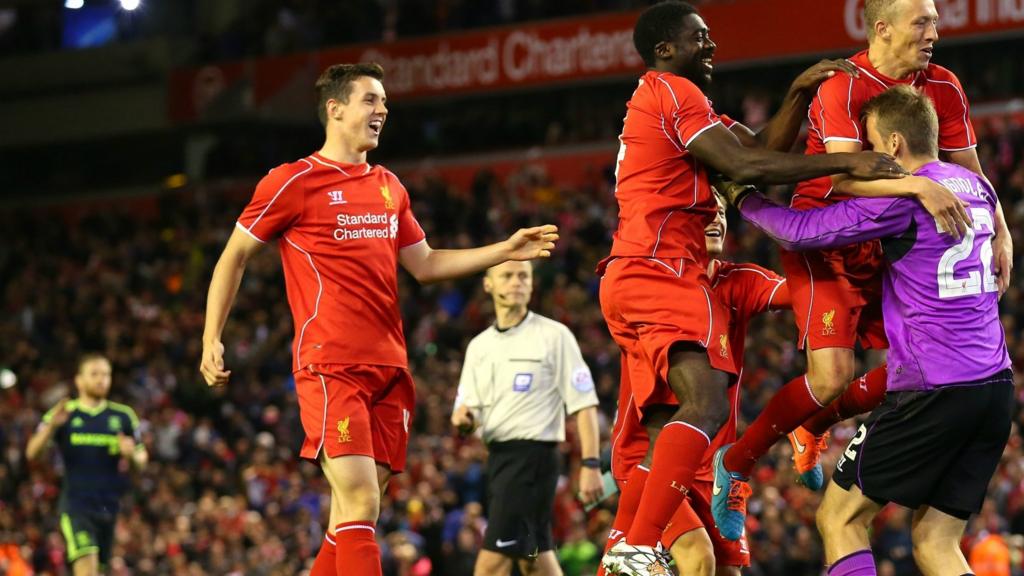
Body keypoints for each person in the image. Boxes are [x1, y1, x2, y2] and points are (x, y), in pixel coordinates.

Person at [199, 62, 559, 576]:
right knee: (362, 503)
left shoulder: (389, 186)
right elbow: (233, 256)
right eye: (371, 100)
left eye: (385, 102)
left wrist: (504, 250)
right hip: (331, 366)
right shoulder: (293, 181)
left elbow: (427, 264)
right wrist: (212, 336)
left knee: (350, 514)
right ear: (335, 108)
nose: (383, 110)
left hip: (390, 369)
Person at [598, 2, 906, 573]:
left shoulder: (682, 105)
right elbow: (744, 166)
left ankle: (630, 546)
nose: (711, 46)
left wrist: (794, 96)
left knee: (685, 423)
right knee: (708, 403)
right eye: (700, 38)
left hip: (645, 271)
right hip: (658, 266)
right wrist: (850, 165)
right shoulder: (671, 90)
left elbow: (757, 150)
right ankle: (639, 542)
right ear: (666, 48)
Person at [713, 0, 1013, 536]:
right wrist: (918, 184)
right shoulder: (843, 85)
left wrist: (1002, 229)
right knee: (832, 376)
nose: (934, 34)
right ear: (883, 29)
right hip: (824, 234)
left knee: (911, 365)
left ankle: (814, 428)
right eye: (922, 22)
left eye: (936, 22)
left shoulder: (942, 84)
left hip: (885, 234)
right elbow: (846, 179)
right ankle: (737, 463)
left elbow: (968, 168)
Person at [603, 197, 788, 576]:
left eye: (721, 210)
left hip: (712, 466)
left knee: (726, 570)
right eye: (706, 210)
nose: (716, 217)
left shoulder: (736, 281)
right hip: (649, 455)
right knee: (696, 558)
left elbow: (796, 296)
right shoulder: (654, 285)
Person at [450, 260, 603, 576]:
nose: (516, 282)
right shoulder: (479, 346)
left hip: (533, 459)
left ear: (532, 284)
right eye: (507, 276)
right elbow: (468, 411)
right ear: (488, 285)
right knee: (532, 558)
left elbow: (584, 403)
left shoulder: (554, 336)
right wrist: (464, 420)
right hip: (498, 461)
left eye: (524, 276)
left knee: (492, 563)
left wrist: (590, 464)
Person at [25, 354, 148, 576]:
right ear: (79, 380)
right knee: (87, 567)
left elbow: (141, 461)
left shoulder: (123, 416)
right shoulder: (65, 412)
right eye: (94, 374)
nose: (101, 379)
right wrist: (51, 427)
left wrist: (130, 456)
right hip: (76, 505)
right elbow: (32, 452)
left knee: (100, 571)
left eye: (106, 374)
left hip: (109, 506)